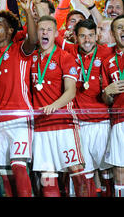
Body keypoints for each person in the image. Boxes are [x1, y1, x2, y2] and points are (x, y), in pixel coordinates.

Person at [30, 15, 91, 197]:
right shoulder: (32, 59)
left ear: (56, 33)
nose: (45, 33)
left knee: (76, 172)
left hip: (63, 123)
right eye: (41, 29)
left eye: (49, 29)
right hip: (40, 127)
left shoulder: (65, 57)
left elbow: (71, 91)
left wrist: (53, 106)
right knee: (47, 177)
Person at [0, 0, 38, 197]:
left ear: (10, 31)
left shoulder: (19, 50)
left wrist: (26, 12)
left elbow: (33, 40)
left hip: (19, 117)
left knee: (19, 167)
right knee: (4, 172)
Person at [69, 19, 114, 197]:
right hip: (78, 125)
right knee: (85, 174)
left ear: (97, 36)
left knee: (106, 172)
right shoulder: (69, 52)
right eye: (82, 36)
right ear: (75, 37)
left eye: (90, 35)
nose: (87, 40)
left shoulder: (107, 52)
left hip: (102, 123)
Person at [101, 14, 124, 198]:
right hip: (118, 120)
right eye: (119, 27)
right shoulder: (107, 61)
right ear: (113, 33)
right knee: (120, 168)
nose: (123, 30)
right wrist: (107, 92)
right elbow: (105, 100)